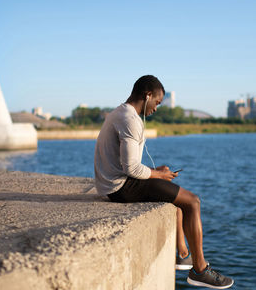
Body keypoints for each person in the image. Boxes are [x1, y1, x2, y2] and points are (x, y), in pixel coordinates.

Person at [94, 75, 234, 289]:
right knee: (193, 201)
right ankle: (200, 270)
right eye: (157, 102)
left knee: (174, 197)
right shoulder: (131, 120)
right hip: (120, 187)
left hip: (112, 183)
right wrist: (159, 176)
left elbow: (127, 164)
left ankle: (183, 255)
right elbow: (130, 168)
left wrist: (154, 171)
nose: (157, 108)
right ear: (147, 95)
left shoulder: (120, 112)